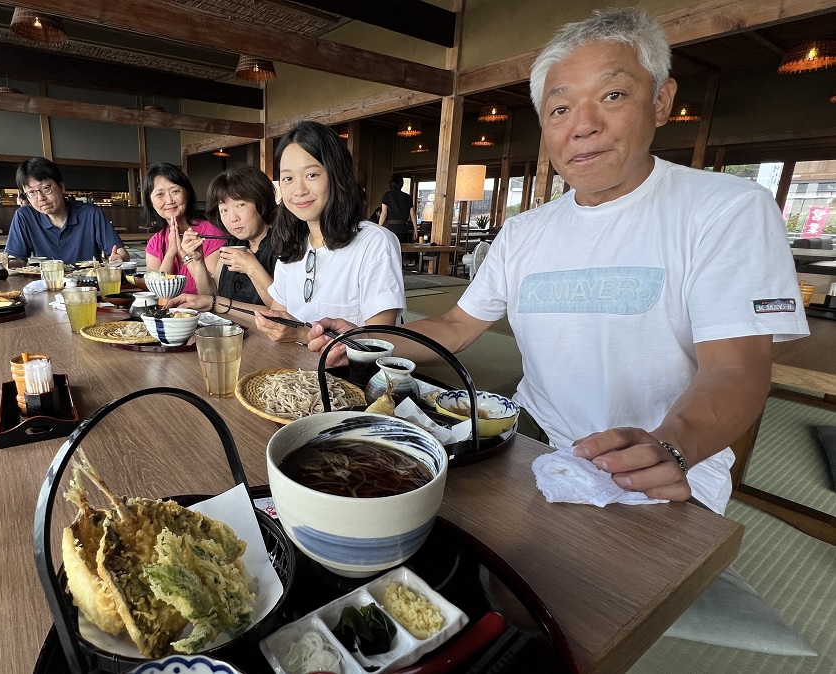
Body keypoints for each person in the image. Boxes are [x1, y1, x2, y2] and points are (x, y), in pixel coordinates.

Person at [308, 7, 809, 515]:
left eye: (613, 96)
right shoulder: (526, 230)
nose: (584, 126)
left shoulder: (726, 208)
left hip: (667, 471)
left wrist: (674, 444)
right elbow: (456, 325)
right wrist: (360, 340)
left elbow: (737, 368)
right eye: (560, 108)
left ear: (661, 101)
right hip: (531, 446)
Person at [255, 120, 406, 343]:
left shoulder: (374, 242)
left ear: (337, 175)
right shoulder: (292, 244)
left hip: (349, 376)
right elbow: (280, 314)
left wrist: (302, 334)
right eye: (288, 178)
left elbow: (380, 340)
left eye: (312, 175)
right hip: (292, 372)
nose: (298, 190)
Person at [167, 165, 278, 315]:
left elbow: (282, 312)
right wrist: (198, 261)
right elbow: (212, 294)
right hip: (231, 332)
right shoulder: (235, 243)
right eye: (224, 210)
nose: (233, 218)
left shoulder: (282, 246)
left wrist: (252, 268)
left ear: (261, 201)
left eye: (240, 205)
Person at [5, 157, 128, 265]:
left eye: (46, 188)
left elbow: (121, 253)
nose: (41, 198)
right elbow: (18, 260)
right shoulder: (24, 216)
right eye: (32, 192)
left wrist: (118, 258)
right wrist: (1, 263)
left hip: (87, 287)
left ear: (61, 186)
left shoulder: (90, 214)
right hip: (46, 285)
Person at [142, 163, 226, 295]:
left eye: (175, 191)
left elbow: (213, 292)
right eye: (160, 194)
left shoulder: (211, 234)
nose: (169, 200)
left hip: (205, 313)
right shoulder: (155, 242)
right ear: (150, 201)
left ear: (187, 193)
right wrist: (171, 252)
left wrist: (183, 253)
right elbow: (156, 294)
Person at [378, 173, 418, 244]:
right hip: (403, 229)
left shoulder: (387, 195)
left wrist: (379, 228)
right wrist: (415, 229)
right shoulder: (407, 197)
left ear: (390, 183)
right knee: (401, 252)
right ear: (401, 184)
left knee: (390, 251)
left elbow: (384, 214)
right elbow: (413, 214)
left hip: (390, 229)